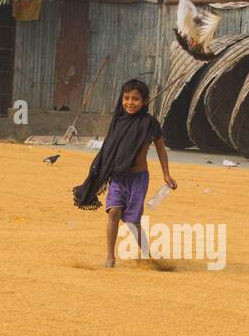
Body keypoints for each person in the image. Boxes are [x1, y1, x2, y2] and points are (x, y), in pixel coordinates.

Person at [72, 79, 177, 267]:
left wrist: (166, 174)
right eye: (126, 98)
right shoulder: (118, 122)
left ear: (145, 101)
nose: (130, 102)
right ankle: (110, 257)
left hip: (138, 179)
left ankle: (147, 255)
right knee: (113, 213)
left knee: (132, 221)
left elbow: (161, 148)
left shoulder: (149, 123)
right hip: (118, 177)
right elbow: (109, 148)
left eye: (135, 99)